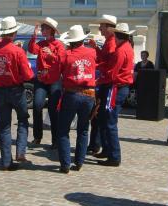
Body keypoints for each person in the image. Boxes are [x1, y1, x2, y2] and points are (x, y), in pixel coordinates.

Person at [0, 16, 34, 170]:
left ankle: (6, 161)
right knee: (23, 119)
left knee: (4, 127)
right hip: (16, 90)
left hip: (0, 90)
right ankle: (20, 152)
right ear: (14, 32)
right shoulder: (18, 51)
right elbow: (28, 75)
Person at [57, 25, 97, 173]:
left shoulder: (66, 55)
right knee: (83, 129)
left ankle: (65, 164)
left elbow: (57, 72)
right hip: (89, 95)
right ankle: (79, 161)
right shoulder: (92, 52)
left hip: (71, 94)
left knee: (63, 130)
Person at [97, 23, 135, 167]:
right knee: (106, 119)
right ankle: (108, 150)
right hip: (119, 86)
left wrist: (99, 77)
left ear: (117, 35)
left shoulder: (120, 51)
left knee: (110, 122)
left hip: (116, 87)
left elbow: (112, 74)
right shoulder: (127, 48)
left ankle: (114, 156)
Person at [28, 17, 65, 149]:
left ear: (51, 30)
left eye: (44, 28)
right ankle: (37, 137)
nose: (42, 29)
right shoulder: (41, 43)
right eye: (42, 28)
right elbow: (32, 49)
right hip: (41, 79)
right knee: (37, 106)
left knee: (53, 110)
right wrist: (34, 35)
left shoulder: (59, 45)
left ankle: (56, 140)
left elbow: (62, 60)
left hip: (54, 80)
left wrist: (51, 55)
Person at [89, 14, 117, 159]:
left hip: (106, 82)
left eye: (102, 26)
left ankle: (101, 146)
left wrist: (96, 65)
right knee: (100, 116)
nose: (100, 28)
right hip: (104, 80)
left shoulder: (111, 43)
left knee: (102, 116)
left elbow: (108, 64)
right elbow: (104, 59)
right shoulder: (109, 41)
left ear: (109, 27)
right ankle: (98, 145)